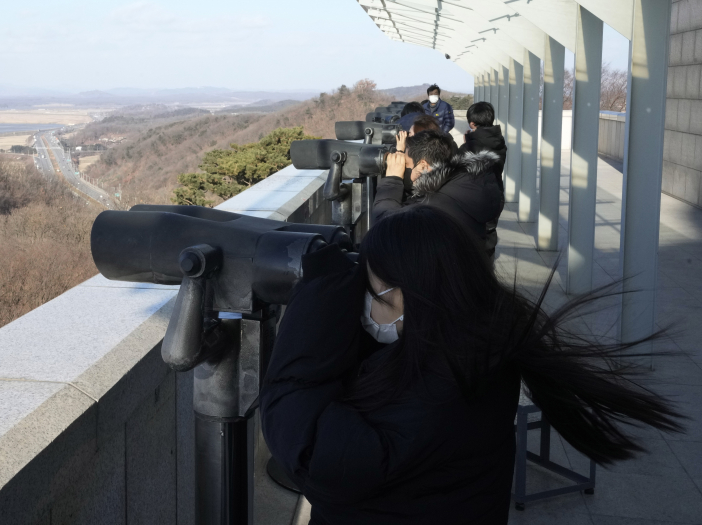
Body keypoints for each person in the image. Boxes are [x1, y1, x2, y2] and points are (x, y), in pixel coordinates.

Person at [261, 205, 684, 525]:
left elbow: (315, 456)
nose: (364, 307)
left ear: (409, 295)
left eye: (371, 293)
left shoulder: (441, 384)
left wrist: (315, 304)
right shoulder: (473, 342)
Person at [372, 131, 503, 250]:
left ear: (423, 165)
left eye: (406, 164)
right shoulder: (463, 187)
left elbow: (386, 230)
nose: (403, 169)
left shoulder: (432, 206)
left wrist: (392, 180)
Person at [459, 101, 507, 256]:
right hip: (496, 193)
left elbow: (460, 166)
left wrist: (468, 143)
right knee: (490, 232)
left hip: (475, 197)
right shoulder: (499, 141)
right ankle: (488, 263)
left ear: (472, 123)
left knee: (473, 237)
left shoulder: (470, 147)